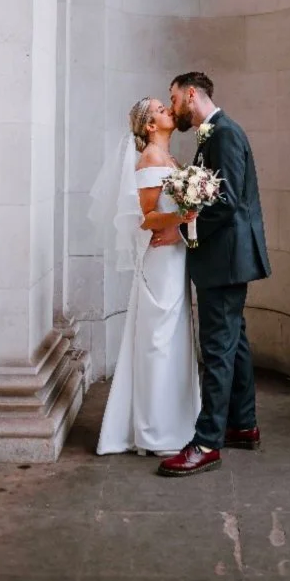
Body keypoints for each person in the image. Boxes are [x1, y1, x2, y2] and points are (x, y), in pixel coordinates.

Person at [151, 72, 271, 477]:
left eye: (173, 99)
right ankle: (243, 424)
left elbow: (228, 200)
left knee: (218, 348)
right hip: (225, 258)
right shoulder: (212, 135)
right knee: (234, 343)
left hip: (226, 259)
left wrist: (182, 229)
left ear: (191, 95)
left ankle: (206, 443)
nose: (173, 107)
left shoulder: (225, 133)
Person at [92, 97, 201, 457]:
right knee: (158, 339)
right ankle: (155, 432)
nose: (167, 109)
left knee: (174, 337)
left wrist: (184, 221)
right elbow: (147, 218)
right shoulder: (151, 159)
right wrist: (184, 216)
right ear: (150, 126)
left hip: (175, 257)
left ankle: (177, 423)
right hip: (159, 261)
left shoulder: (169, 159)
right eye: (159, 109)